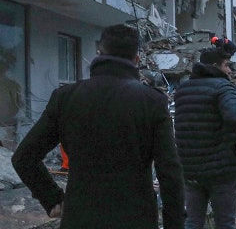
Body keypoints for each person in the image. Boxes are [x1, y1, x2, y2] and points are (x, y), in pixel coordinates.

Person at [11, 24, 185, 228]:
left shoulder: (66, 97)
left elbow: (24, 157)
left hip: (80, 217)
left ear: (99, 53)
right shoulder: (151, 101)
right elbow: (170, 173)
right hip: (135, 218)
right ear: (136, 60)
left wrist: (52, 198)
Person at [174, 47, 236, 229]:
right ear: (214, 66)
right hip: (220, 170)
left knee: (192, 222)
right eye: (226, 65)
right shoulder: (222, 87)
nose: (229, 70)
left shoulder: (183, 90)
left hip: (190, 169)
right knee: (225, 223)